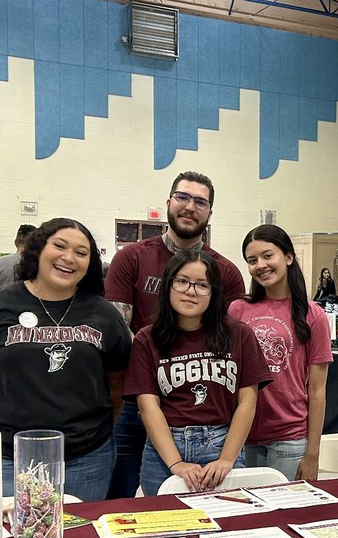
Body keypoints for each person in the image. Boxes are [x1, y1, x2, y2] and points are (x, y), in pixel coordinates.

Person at [0, 218, 133, 500]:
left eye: (81, 253)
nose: (68, 258)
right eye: (59, 246)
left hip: (87, 459)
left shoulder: (105, 315)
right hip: (8, 458)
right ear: (37, 250)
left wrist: (94, 432)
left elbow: (117, 386)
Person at [104, 170, 246, 498]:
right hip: (138, 395)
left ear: (209, 213)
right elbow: (118, 330)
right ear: (168, 202)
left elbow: (229, 341)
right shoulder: (131, 257)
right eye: (183, 197)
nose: (190, 207)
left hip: (199, 399)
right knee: (123, 492)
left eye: (200, 202)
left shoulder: (225, 272)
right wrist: (155, 375)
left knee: (209, 499)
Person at [125, 250, 270, 495]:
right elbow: (148, 407)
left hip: (222, 443)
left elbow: (247, 402)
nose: (191, 291)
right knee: (164, 527)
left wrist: (227, 458)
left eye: (202, 285)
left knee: (226, 524)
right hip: (165, 449)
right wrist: (176, 463)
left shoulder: (239, 334)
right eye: (182, 281)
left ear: (214, 293)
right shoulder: (147, 339)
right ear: (168, 284)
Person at [229, 226, 333, 480]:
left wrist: (313, 455)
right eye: (252, 261)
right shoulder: (237, 310)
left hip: (289, 437)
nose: (260, 265)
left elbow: (317, 391)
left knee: (284, 512)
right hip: (241, 435)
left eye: (267, 256)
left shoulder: (313, 315)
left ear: (288, 257)